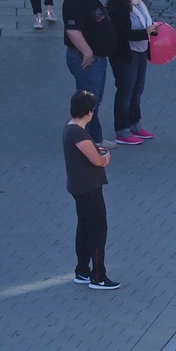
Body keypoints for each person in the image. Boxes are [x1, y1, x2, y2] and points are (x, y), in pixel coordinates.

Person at [63, 90, 117, 290]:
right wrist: (106, 158)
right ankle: (98, 276)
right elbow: (98, 160)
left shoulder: (70, 127)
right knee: (97, 230)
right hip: (88, 188)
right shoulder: (78, 133)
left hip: (79, 186)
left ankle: (82, 271)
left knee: (84, 228)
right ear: (89, 112)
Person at [105, 0, 157, 144]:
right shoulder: (118, 6)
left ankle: (135, 123)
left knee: (137, 89)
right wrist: (146, 33)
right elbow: (120, 33)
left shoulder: (139, 3)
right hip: (125, 53)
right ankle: (122, 129)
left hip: (140, 51)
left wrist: (153, 31)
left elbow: (146, 23)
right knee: (126, 90)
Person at [62, 0, 115, 132]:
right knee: (88, 102)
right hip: (86, 60)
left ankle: (94, 138)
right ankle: (89, 139)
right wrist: (87, 52)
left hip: (98, 59)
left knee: (95, 100)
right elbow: (72, 30)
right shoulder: (74, 0)